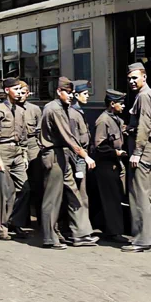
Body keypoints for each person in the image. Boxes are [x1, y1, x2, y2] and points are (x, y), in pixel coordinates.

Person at [38, 77, 98, 250]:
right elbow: (68, 137)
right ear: (58, 91)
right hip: (54, 155)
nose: (71, 96)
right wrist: (85, 156)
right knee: (52, 199)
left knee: (74, 194)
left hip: (62, 155)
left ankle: (81, 234)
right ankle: (50, 238)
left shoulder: (63, 108)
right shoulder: (54, 109)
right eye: (67, 93)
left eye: (72, 93)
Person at [124, 62, 151, 253]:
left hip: (143, 149)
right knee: (147, 195)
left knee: (139, 195)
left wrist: (137, 152)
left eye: (135, 77)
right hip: (150, 147)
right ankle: (149, 237)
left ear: (144, 77)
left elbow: (145, 125)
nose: (131, 81)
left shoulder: (144, 96)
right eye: (129, 78)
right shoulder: (150, 94)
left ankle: (141, 239)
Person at [0, 77, 29, 240]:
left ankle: (15, 222)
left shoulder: (20, 111)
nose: (19, 93)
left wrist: (24, 155)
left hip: (17, 153)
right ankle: (0, 228)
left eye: (21, 90)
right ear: (7, 91)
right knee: (3, 193)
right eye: (16, 90)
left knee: (25, 189)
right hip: (3, 152)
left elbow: (24, 135)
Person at [92, 89, 129, 241]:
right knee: (111, 199)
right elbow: (99, 145)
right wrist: (116, 153)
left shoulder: (116, 119)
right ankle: (114, 232)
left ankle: (104, 226)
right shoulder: (103, 120)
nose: (124, 106)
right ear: (112, 104)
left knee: (113, 197)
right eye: (121, 103)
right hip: (106, 165)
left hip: (115, 164)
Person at [18, 81, 43, 225]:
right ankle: (23, 219)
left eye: (24, 92)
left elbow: (40, 131)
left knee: (38, 185)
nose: (21, 95)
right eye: (19, 92)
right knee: (21, 187)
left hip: (34, 150)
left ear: (28, 94)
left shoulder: (35, 110)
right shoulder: (11, 109)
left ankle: (40, 218)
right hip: (18, 151)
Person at [70, 80, 92, 209]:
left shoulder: (78, 112)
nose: (87, 96)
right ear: (76, 96)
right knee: (80, 193)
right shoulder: (73, 115)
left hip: (82, 157)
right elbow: (74, 141)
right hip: (79, 158)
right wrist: (79, 165)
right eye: (85, 93)